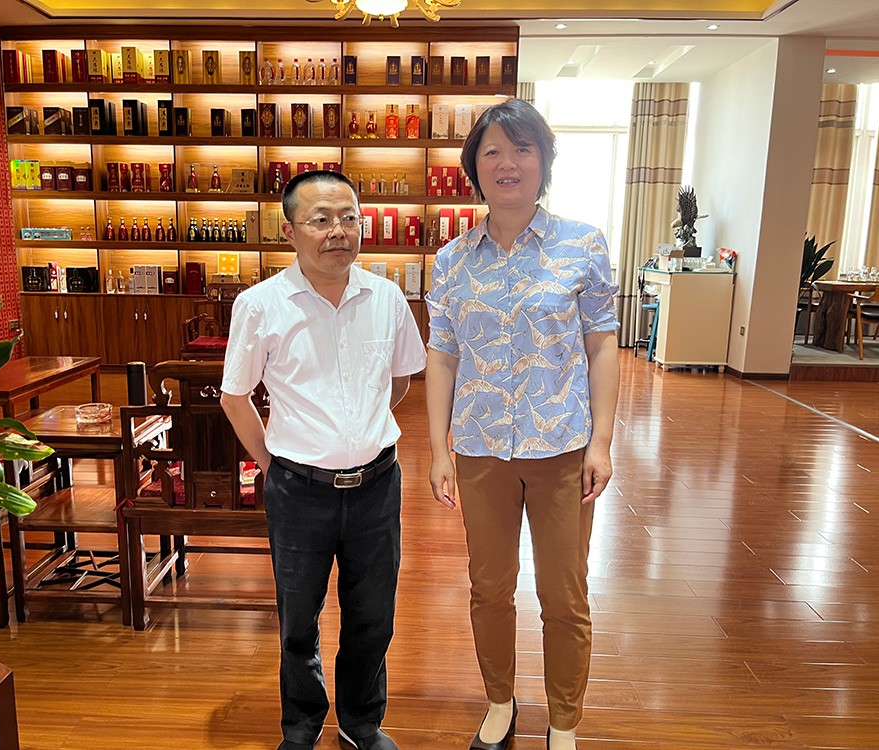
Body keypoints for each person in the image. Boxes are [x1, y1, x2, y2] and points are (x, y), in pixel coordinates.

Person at [424, 99, 620, 750]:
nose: (507, 163)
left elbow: (602, 345)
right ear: (474, 168)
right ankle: (500, 702)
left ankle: (564, 722)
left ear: (544, 161)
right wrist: (439, 450)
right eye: (492, 151)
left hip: (563, 449)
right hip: (481, 449)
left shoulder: (582, 245)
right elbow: (442, 356)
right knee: (489, 589)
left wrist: (602, 442)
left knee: (564, 595)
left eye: (522, 149)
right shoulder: (452, 261)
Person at [220, 169, 426, 750]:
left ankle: (361, 724)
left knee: (373, 616)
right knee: (298, 618)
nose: (338, 230)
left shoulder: (387, 298)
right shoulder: (260, 305)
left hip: (377, 485)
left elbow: (399, 381)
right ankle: (302, 725)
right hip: (298, 491)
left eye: (348, 217)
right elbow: (235, 397)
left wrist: (360, 430)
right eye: (321, 219)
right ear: (289, 231)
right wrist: (275, 465)